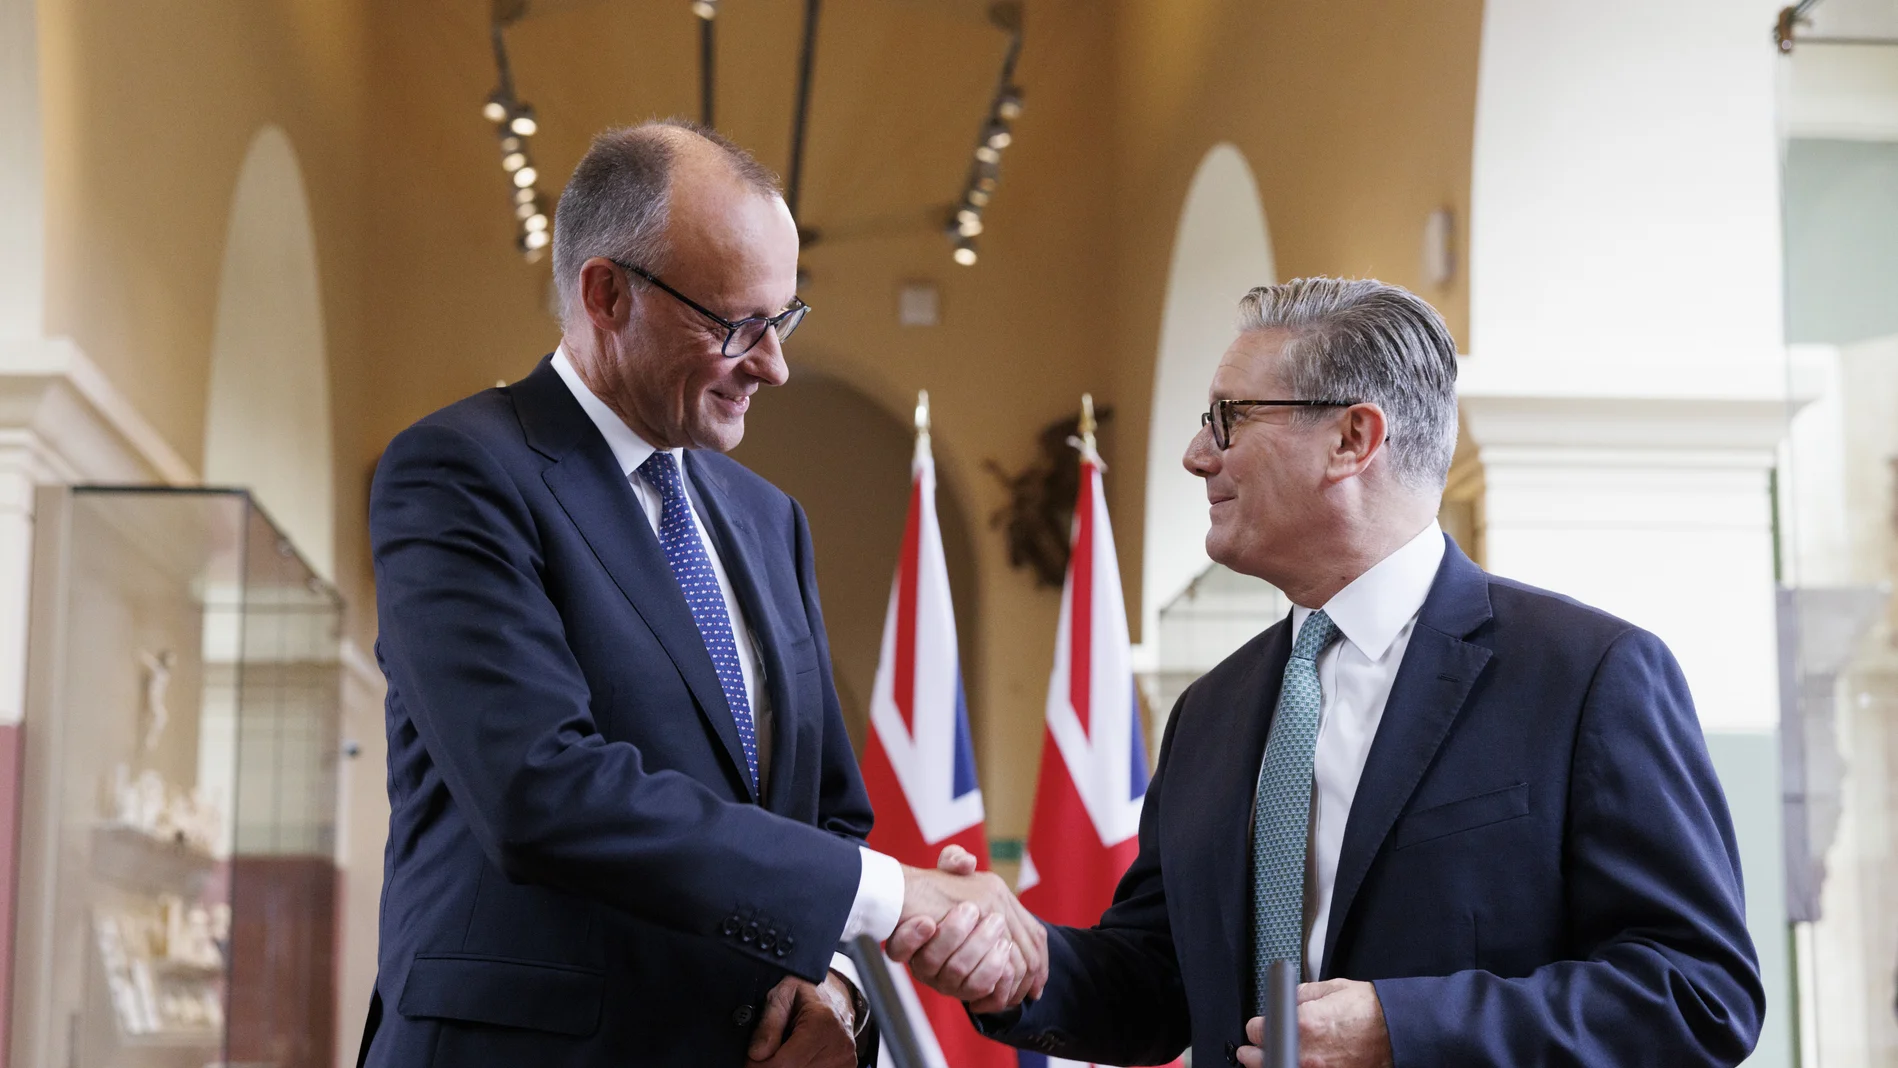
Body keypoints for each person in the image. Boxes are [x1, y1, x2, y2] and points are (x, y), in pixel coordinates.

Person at [889, 277, 1764, 1067]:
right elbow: (1156, 982)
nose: (1197, 454)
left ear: (1353, 438)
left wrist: (1401, 1030)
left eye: (1229, 419)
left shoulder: (1585, 676)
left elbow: (1699, 993)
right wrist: (1018, 962)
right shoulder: (1210, 712)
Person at [360, 120, 1044, 1068]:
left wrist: (833, 983)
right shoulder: (459, 472)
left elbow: (825, 814)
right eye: (737, 325)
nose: (774, 365)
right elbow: (541, 790)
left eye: (783, 319)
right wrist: (895, 895)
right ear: (607, 294)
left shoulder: (769, 520)